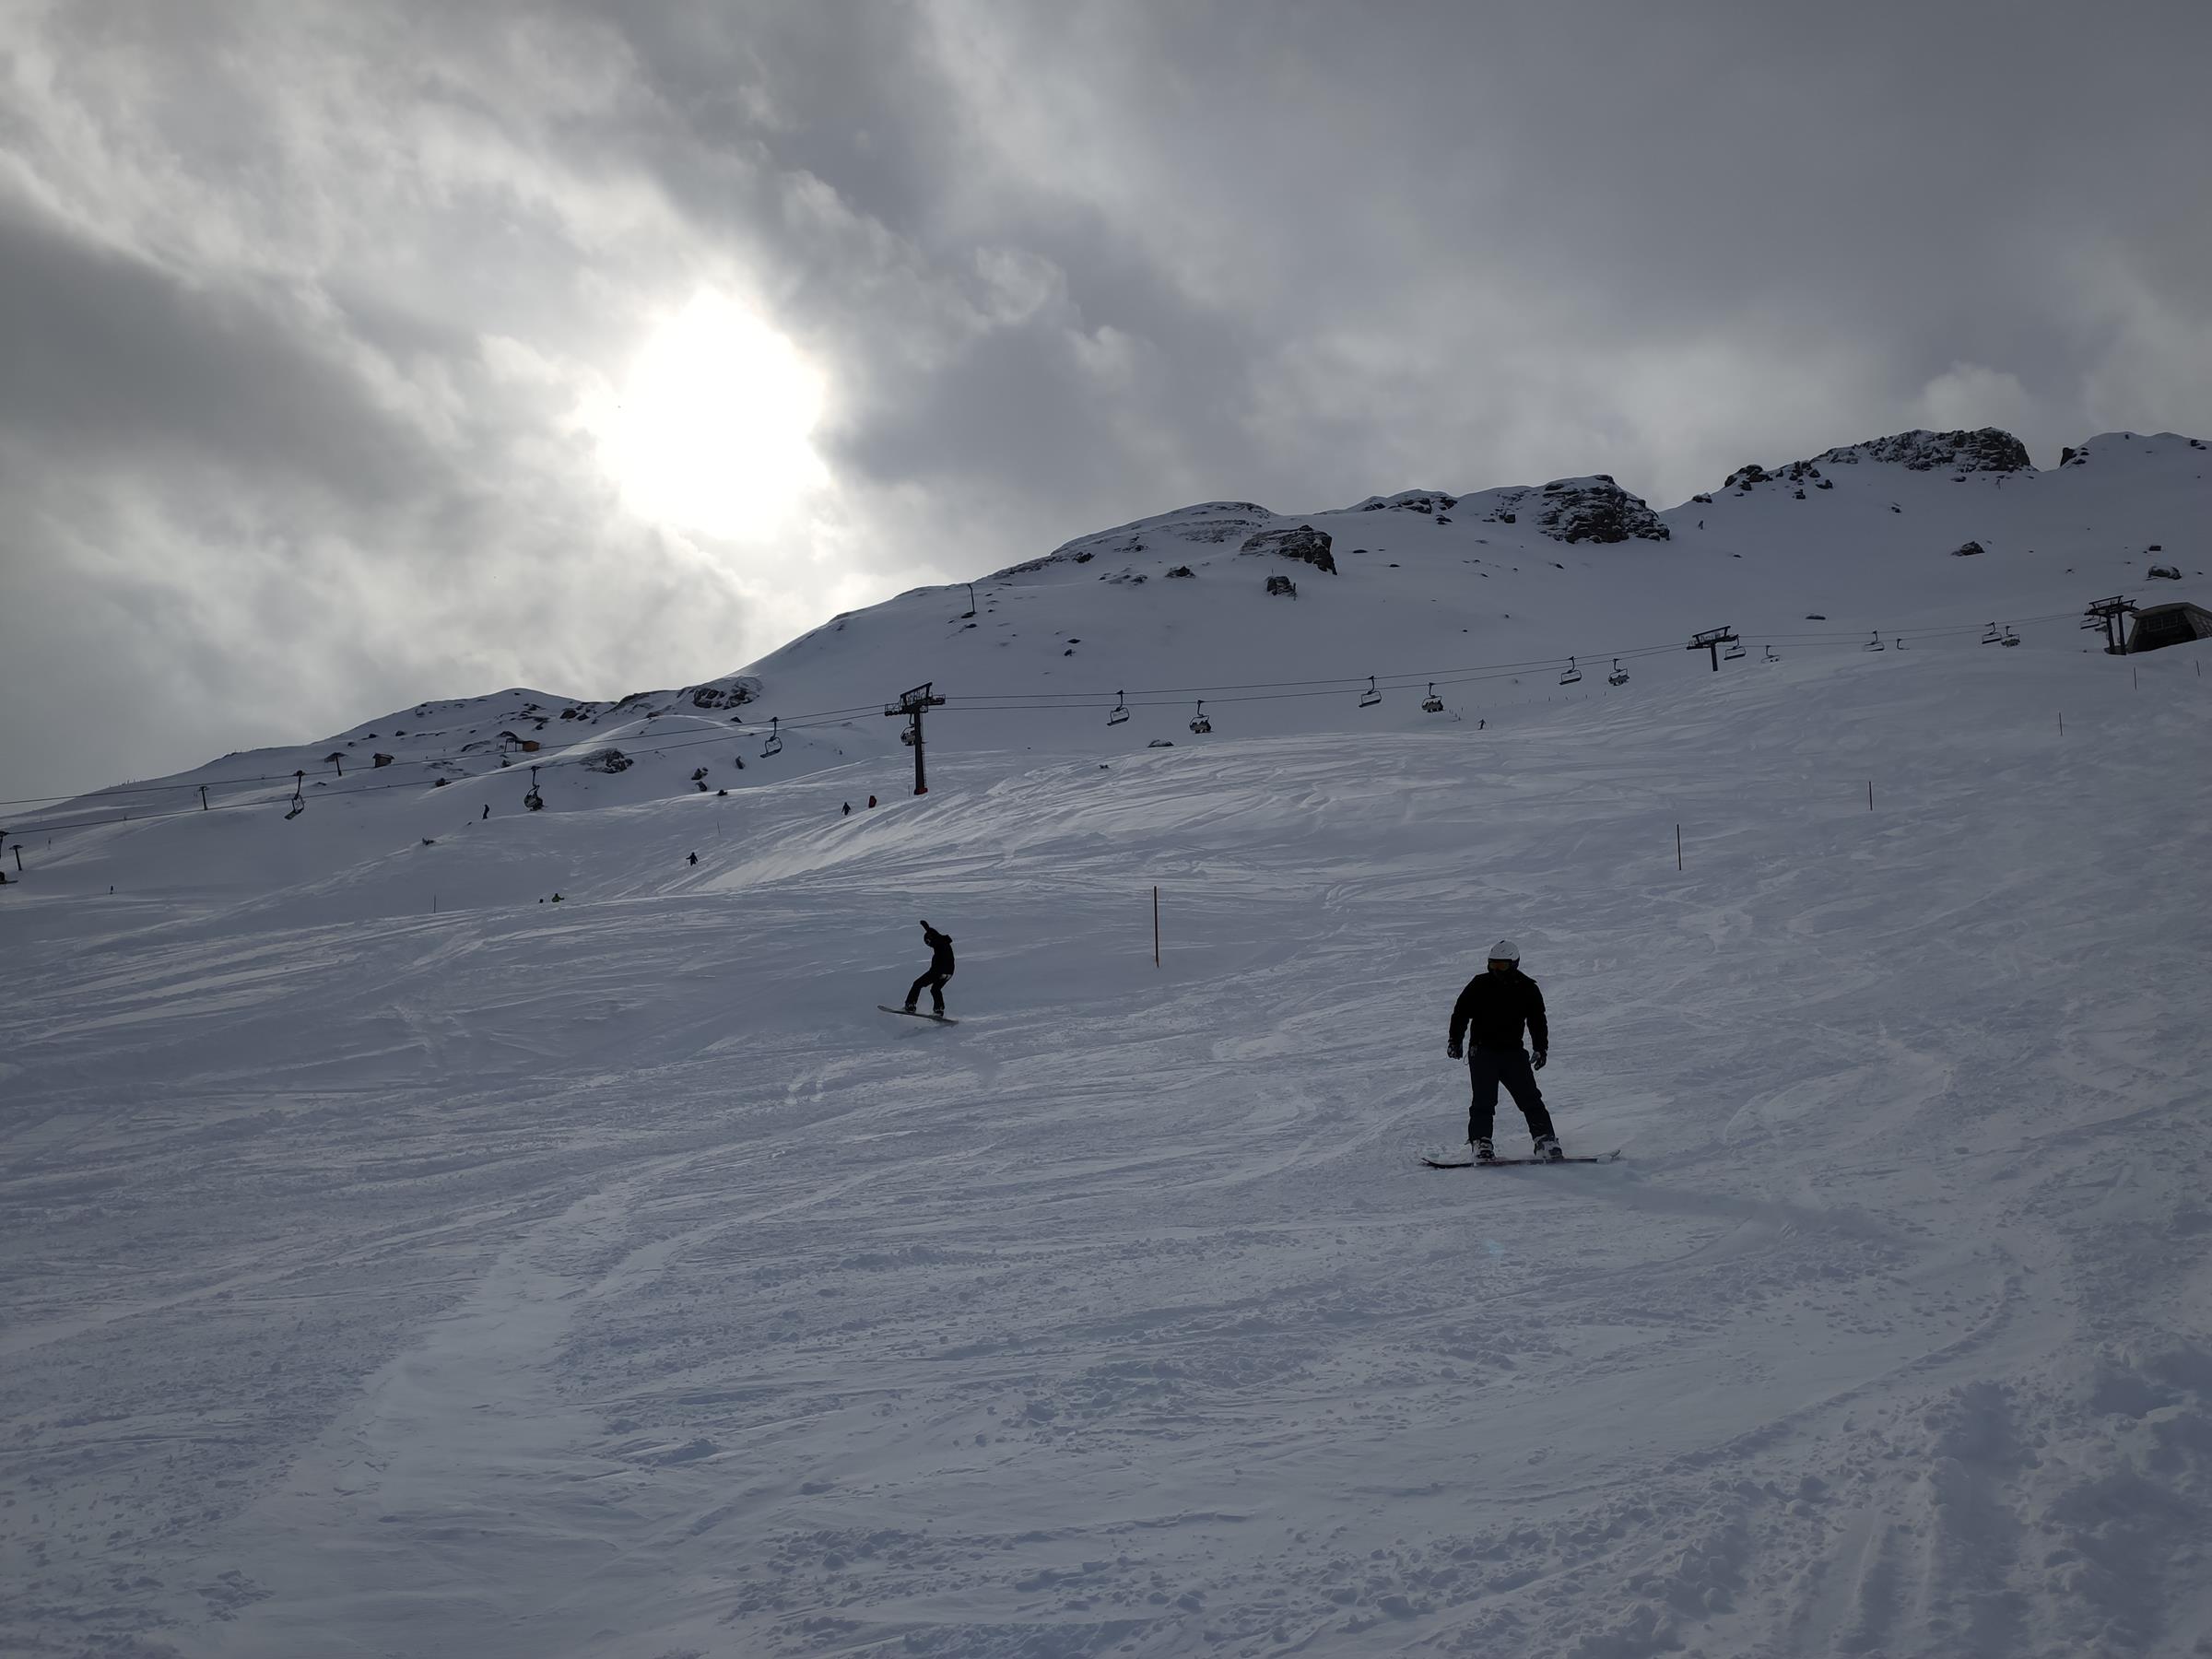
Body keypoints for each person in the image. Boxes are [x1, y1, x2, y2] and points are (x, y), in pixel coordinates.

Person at [1446, 939, 1560, 1161]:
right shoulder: (1479, 985)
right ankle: (1481, 1143)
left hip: (1513, 1053)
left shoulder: (1527, 988)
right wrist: (1455, 1040)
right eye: (1493, 965)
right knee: (1484, 1100)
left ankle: (1545, 1140)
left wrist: (1541, 1048)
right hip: (1483, 1052)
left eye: (1502, 966)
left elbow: (1537, 1021)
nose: (1496, 971)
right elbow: (1460, 1013)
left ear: (1514, 964)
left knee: (1530, 1098)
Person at [905, 919, 955, 1016]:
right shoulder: (944, 942)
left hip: (939, 971)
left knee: (917, 984)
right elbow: (934, 934)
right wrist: (926, 928)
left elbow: (934, 935)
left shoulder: (938, 943)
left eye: (928, 942)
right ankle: (938, 1010)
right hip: (949, 973)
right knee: (935, 989)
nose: (929, 945)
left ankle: (910, 1005)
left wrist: (928, 930)